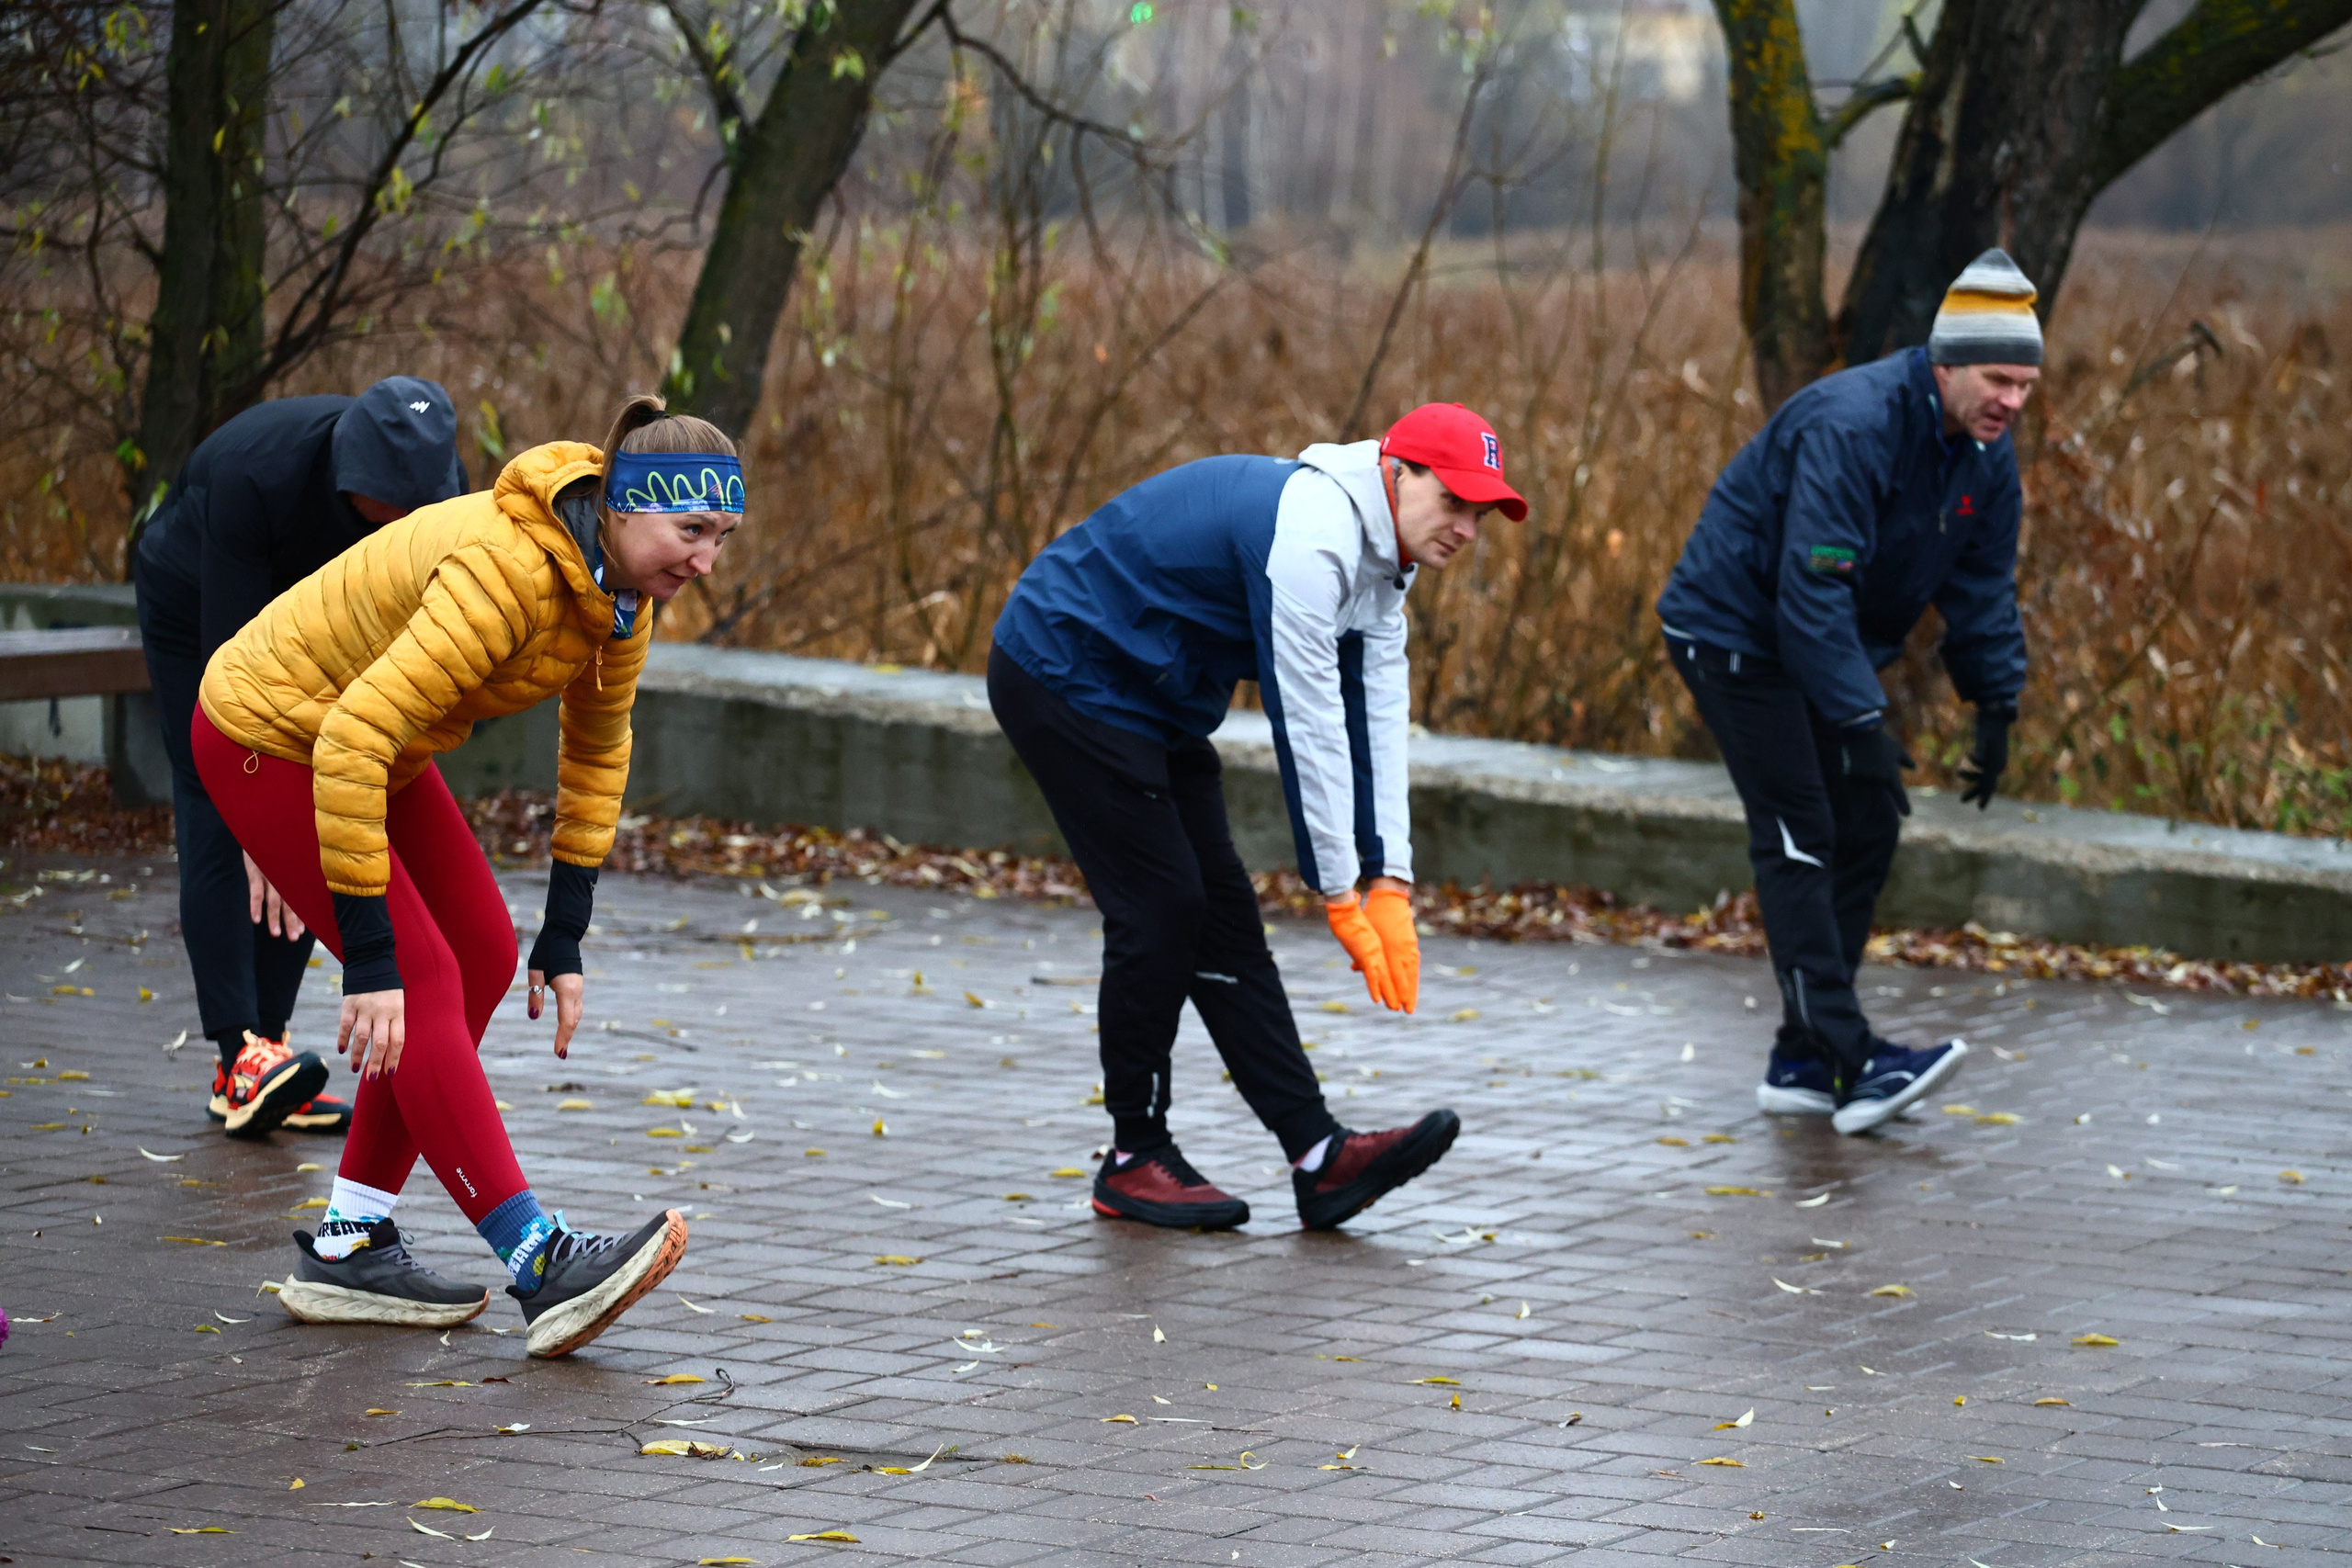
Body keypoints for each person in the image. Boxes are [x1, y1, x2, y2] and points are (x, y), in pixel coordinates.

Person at [190, 394, 738, 1355]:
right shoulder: (507, 571)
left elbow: (598, 747)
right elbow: (352, 736)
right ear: (621, 504)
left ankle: (351, 1243)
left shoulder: (619, 593)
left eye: (722, 537)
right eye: (690, 531)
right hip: (271, 735)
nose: (705, 562)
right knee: (423, 977)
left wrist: (563, 932)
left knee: (481, 954)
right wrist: (369, 956)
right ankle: (538, 1258)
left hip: (363, 738)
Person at [989, 403, 1526, 1230]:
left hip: (1149, 692)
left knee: (1222, 915)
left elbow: (1377, 718)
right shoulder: (1313, 542)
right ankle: (1134, 1155)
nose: (1466, 526)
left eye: (1481, 512)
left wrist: (1391, 880)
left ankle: (1318, 1156)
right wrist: (1339, 893)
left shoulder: (1384, 564)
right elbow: (1308, 727)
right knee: (1163, 907)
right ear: (1397, 473)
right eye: (1452, 499)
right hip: (1066, 665)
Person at [1656, 248, 2039, 1134]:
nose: (2012, 401)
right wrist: (1860, 716)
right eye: (1996, 379)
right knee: (1801, 829)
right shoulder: (1853, 425)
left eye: (2024, 384)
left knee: (1867, 817)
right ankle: (1851, 1055)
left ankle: (1801, 1058)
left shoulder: (1986, 456)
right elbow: (1811, 591)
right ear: (1945, 363)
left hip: (1817, 643)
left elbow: (1982, 589)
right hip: (1732, 632)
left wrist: (1996, 705)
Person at [133, 378, 469, 1140]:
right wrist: (254, 819)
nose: (414, 529)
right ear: (356, 484)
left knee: (324, 810)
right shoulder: (261, 472)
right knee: (216, 802)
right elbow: (232, 679)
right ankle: (235, 1052)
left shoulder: (444, 499)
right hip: (202, 609)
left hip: (323, 625)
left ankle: (270, 1053)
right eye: (398, 514)